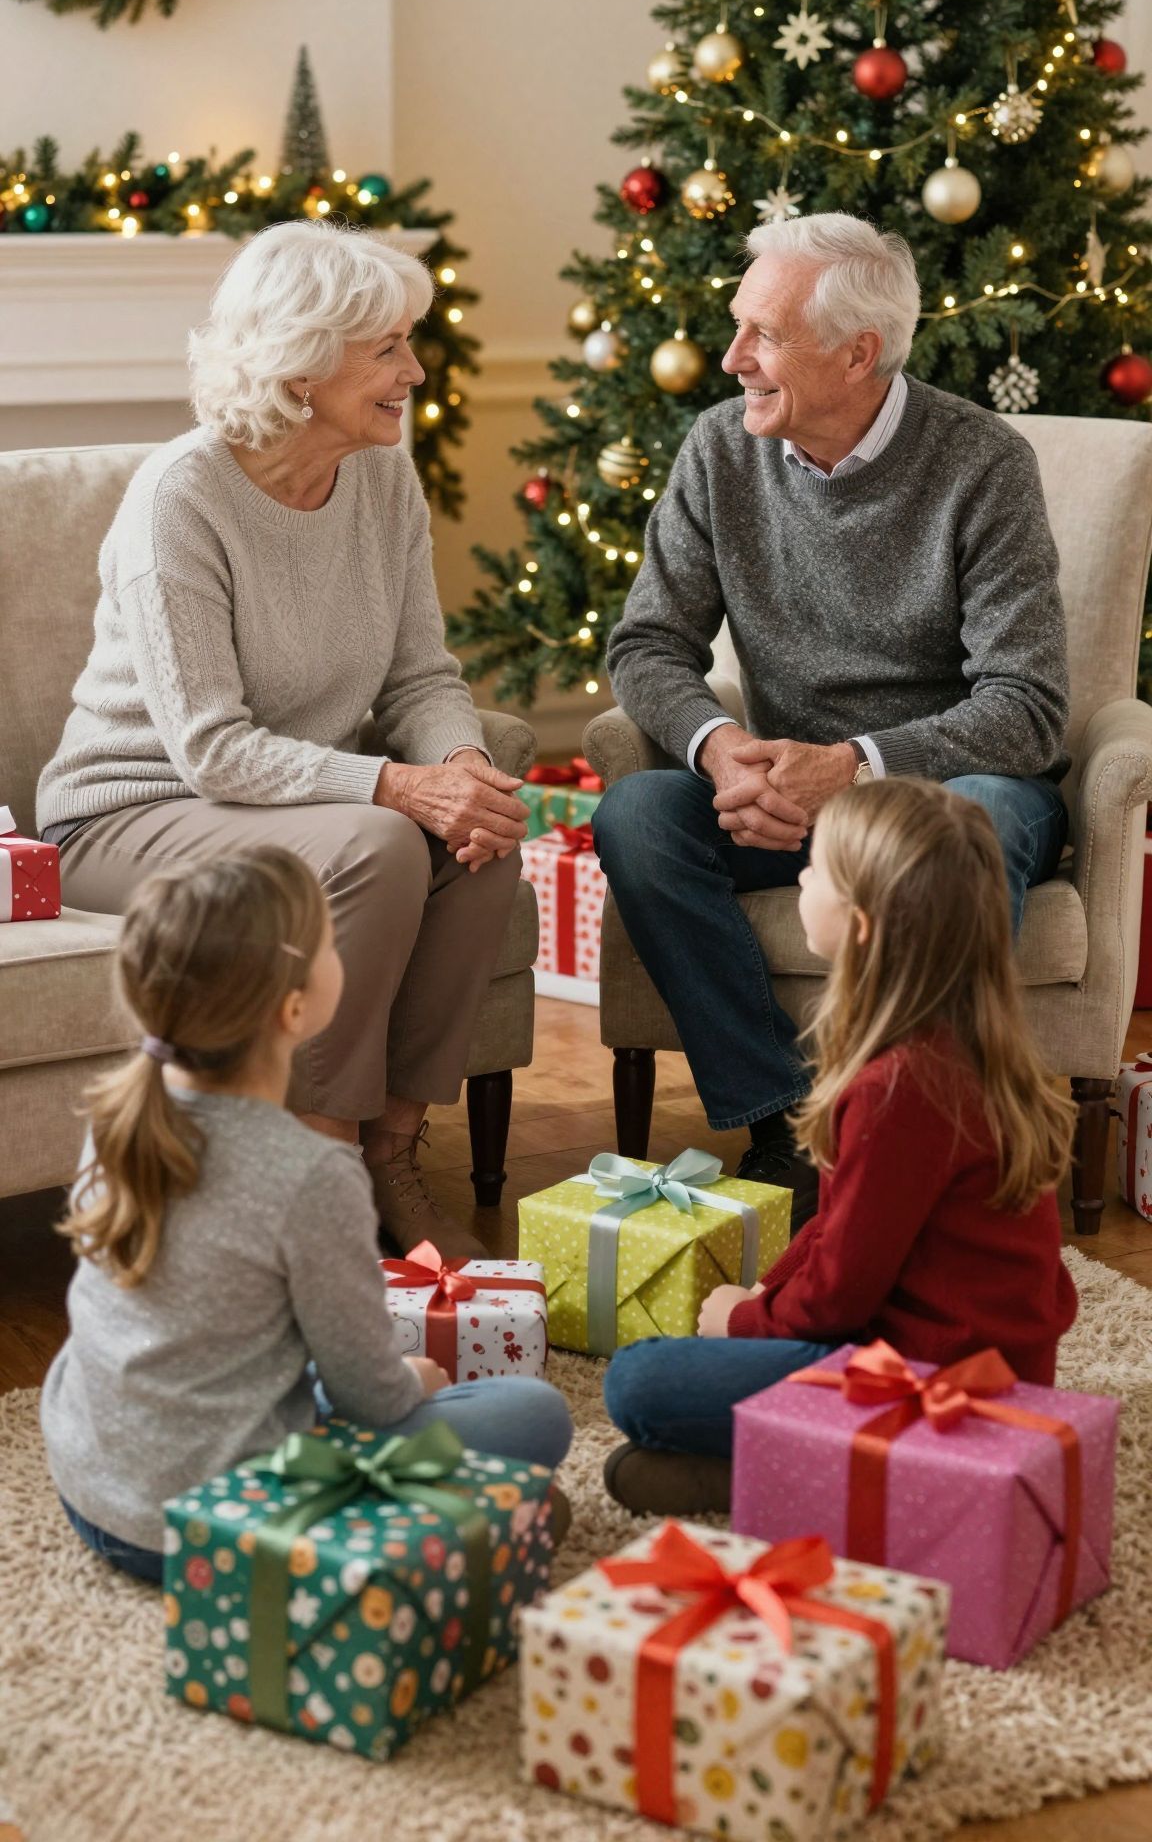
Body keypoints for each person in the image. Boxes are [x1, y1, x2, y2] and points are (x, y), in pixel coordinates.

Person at [37, 219, 528, 1261]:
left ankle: (392, 1152)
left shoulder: (384, 480)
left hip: (299, 804)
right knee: (383, 840)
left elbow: (421, 676)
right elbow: (211, 748)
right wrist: (399, 787)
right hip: (129, 813)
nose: (415, 370)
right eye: (388, 348)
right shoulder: (183, 497)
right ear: (304, 366)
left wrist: (463, 769)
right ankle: (318, 1161)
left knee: (482, 838)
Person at [594, 212, 1069, 1228]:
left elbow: (1026, 709)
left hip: (952, 791)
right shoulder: (720, 449)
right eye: (737, 326)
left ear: (858, 353)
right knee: (639, 815)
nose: (734, 358)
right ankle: (787, 1122)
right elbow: (646, 645)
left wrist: (850, 766)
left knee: (983, 820)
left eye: (763, 335)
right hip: (784, 792)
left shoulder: (983, 463)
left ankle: (928, 1136)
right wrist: (724, 752)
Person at [41, 847, 572, 1585]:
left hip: (90, 1489)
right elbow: (371, 1397)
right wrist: (412, 1381)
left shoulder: (113, 1119)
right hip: (223, 1524)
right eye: (330, 941)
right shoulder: (312, 1173)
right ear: (294, 1009)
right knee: (536, 1414)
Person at [601, 777, 1078, 1517]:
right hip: (975, 1359)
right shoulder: (949, 1046)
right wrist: (766, 1296)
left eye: (816, 870)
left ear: (860, 925)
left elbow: (839, 1296)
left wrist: (744, 1323)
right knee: (685, 1381)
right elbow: (839, 1227)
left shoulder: (902, 1087)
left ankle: (836, 1471)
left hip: (935, 1380)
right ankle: (805, 1458)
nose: (800, 879)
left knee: (636, 1381)